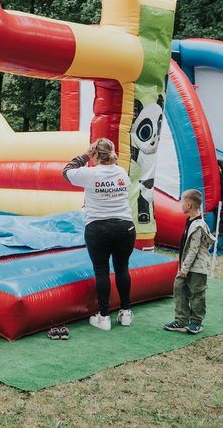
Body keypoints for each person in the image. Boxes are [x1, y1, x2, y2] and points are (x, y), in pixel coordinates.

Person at [62, 138, 136, 330]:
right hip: (125, 227)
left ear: (95, 155)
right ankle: (126, 312)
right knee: (122, 268)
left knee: (101, 271)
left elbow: (66, 171)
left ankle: (104, 317)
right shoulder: (121, 172)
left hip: (98, 228)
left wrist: (85, 155)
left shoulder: (90, 173)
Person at [164, 189, 215, 334]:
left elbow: (193, 250)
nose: (180, 204)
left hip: (197, 267)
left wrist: (184, 269)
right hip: (186, 265)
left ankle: (196, 322)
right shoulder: (190, 220)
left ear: (189, 205)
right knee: (179, 289)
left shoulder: (198, 225)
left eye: (182, 201)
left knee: (197, 293)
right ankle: (181, 320)